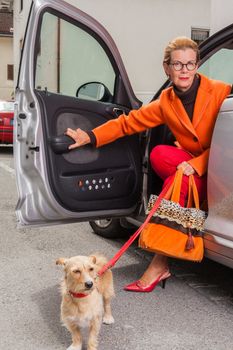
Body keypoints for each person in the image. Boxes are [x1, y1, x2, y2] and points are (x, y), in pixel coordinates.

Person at [65, 37, 232, 293]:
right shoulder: (166, 101)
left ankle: (158, 260)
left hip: (217, 167)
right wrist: (90, 136)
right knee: (159, 154)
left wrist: (197, 163)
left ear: (198, 65)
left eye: (190, 64)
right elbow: (128, 123)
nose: (184, 70)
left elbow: (226, 141)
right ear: (167, 68)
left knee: (182, 176)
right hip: (193, 169)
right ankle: (173, 225)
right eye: (178, 65)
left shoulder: (220, 91)